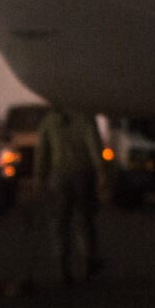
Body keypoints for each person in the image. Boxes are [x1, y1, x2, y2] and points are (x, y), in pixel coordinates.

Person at [33, 103, 106, 285]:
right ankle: (88, 259)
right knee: (84, 218)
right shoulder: (85, 118)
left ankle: (63, 264)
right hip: (83, 174)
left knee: (59, 222)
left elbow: (42, 152)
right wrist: (101, 173)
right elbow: (94, 147)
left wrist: (39, 177)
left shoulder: (49, 121)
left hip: (58, 176)